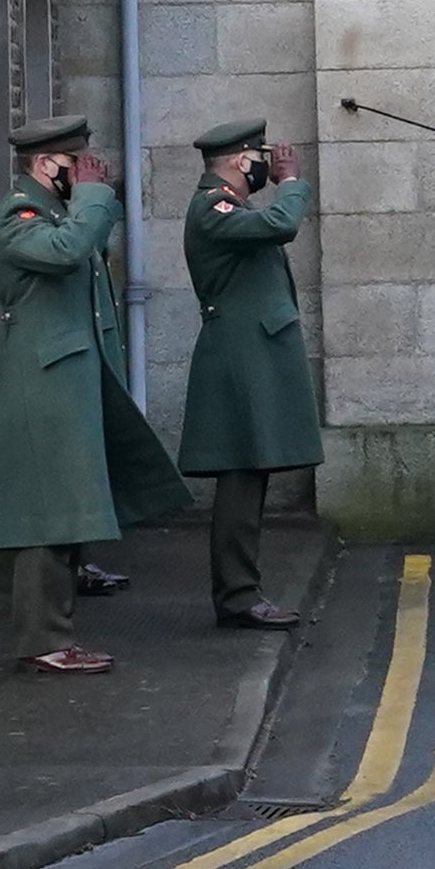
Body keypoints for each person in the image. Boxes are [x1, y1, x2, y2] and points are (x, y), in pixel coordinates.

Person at [0, 113, 187, 673]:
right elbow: (67, 251)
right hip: (42, 379)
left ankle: (53, 633)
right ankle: (42, 640)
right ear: (47, 165)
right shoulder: (19, 215)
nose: (88, 173)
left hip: (68, 375)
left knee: (68, 510)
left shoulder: (56, 210)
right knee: (49, 513)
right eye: (76, 164)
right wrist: (94, 198)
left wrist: (91, 197)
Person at [177, 118, 317, 633]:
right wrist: (293, 182)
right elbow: (280, 225)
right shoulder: (212, 207)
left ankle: (243, 590)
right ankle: (237, 595)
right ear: (241, 161)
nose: (265, 165)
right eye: (259, 157)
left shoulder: (229, 206)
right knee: (240, 476)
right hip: (238, 360)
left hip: (250, 355)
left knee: (249, 474)